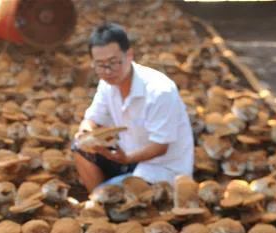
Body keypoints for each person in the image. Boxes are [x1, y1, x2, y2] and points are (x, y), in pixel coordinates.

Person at [73, 22, 194, 192]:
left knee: (115, 200)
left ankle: (108, 199)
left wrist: (127, 158)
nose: (107, 71)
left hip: (160, 168)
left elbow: (160, 147)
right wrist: (85, 133)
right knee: (79, 148)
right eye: (100, 65)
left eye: (113, 63)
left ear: (129, 55)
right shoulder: (107, 84)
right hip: (126, 156)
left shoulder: (159, 90)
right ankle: (101, 202)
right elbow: (93, 118)